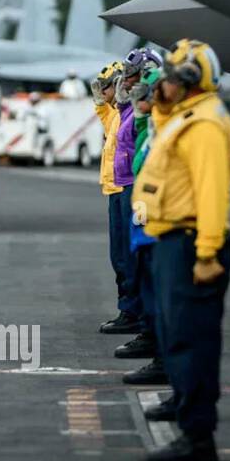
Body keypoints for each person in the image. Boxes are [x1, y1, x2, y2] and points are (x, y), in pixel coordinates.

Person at [136, 39, 230, 461]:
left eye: (170, 79)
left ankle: (197, 437)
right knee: (177, 334)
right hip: (173, 242)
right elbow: (162, 134)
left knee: (192, 340)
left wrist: (207, 254)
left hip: (192, 243)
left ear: (189, 81)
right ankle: (187, 414)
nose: (164, 84)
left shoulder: (205, 126)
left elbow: (211, 195)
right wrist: (161, 104)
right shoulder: (187, 116)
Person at [110, 48, 164, 362]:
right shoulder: (134, 112)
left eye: (132, 77)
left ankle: (148, 329)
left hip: (138, 188)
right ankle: (140, 322)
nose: (127, 83)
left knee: (140, 261)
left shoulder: (161, 118)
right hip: (127, 183)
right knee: (127, 256)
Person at [121, 66, 167, 386]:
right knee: (144, 277)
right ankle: (154, 342)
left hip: (163, 220)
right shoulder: (156, 124)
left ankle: (166, 358)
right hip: (146, 211)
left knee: (162, 289)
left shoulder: (184, 127)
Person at [92, 60, 140, 335]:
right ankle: (128, 309)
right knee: (119, 256)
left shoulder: (133, 113)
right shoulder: (118, 114)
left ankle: (133, 312)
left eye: (106, 87)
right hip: (115, 188)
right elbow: (108, 122)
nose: (103, 92)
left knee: (128, 256)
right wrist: (101, 105)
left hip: (127, 188)